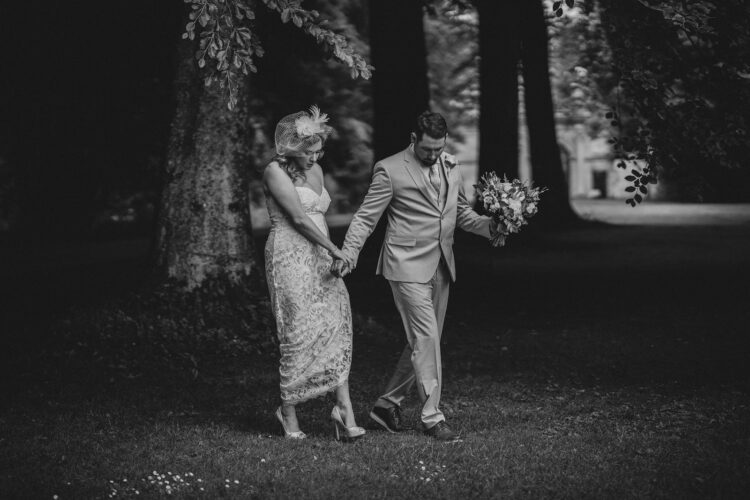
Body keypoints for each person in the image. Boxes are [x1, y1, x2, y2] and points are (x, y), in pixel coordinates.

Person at [335, 111, 498, 442]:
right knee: (426, 338)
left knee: (425, 342)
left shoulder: (452, 165)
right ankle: (432, 416)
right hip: (405, 264)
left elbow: (462, 213)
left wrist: (491, 226)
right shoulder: (390, 169)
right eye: (427, 150)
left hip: (442, 263)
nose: (434, 155)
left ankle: (386, 405)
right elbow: (366, 218)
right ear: (414, 139)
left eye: (439, 149)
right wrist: (349, 252)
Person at [263, 106, 365, 442]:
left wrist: (333, 255)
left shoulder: (317, 170)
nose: (315, 157)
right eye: (310, 151)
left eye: (319, 150)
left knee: (334, 325)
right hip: (290, 256)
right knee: (297, 329)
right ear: (292, 149)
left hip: (321, 256)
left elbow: (319, 217)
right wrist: (335, 250)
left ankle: (344, 409)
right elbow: (299, 219)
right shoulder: (274, 172)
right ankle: (288, 410)